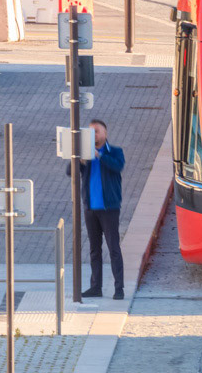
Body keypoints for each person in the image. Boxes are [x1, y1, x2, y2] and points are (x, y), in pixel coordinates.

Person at [70, 119, 126, 299]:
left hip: (109, 208)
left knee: (113, 248)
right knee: (94, 249)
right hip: (90, 208)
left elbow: (118, 166)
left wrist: (99, 156)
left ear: (105, 134)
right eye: (91, 132)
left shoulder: (115, 151)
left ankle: (119, 288)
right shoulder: (84, 154)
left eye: (97, 131)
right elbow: (69, 172)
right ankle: (96, 287)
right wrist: (79, 161)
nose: (94, 135)